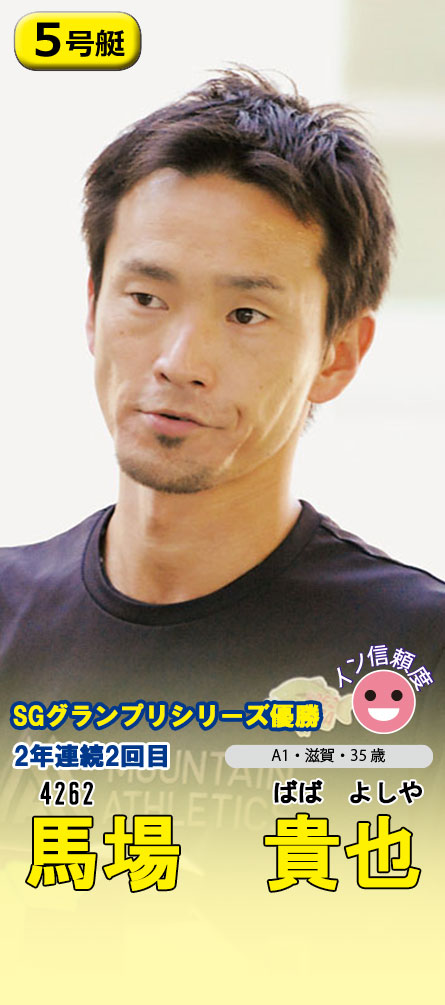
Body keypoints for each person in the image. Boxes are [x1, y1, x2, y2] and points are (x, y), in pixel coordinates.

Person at [1, 69, 443, 847]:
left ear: (338, 353)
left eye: (245, 313)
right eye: (146, 298)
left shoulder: (419, 650)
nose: (179, 361)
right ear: (93, 306)